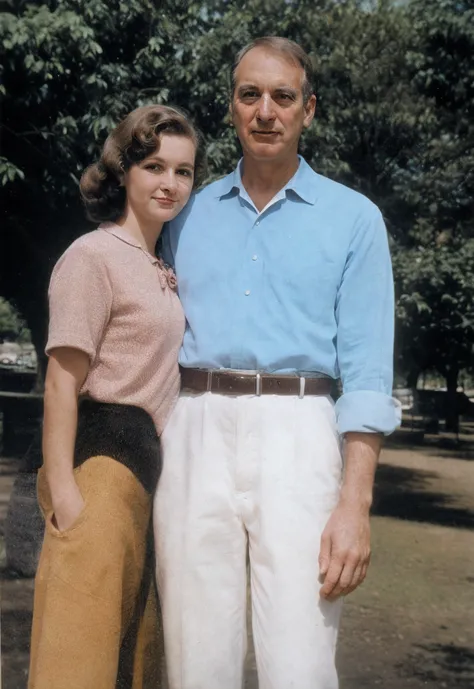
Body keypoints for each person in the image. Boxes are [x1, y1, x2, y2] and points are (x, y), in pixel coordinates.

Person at [154, 37, 401, 689]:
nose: (266, 111)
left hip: (299, 432)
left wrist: (356, 502)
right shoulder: (185, 212)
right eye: (250, 94)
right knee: (194, 655)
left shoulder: (355, 220)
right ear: (232, 107)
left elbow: (370, 372)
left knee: (299, 661)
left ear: (308, 110)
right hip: (194, 430)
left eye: (282, 97)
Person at [28, 104, 206, 689]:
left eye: (183, 171)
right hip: (99, 471)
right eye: (154, 166)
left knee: (134, 662)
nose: (170, 183)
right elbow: (61, 382)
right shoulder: (92, 257)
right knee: (75, 663)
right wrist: (65, 495)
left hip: (149, 480)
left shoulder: (162, 266)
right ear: (123, 170)